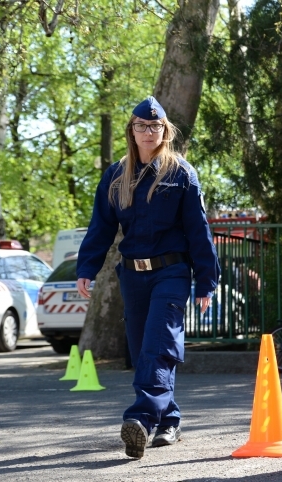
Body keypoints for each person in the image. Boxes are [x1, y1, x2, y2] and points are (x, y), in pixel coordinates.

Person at [75, 96, 220, 458]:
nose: (148, 131)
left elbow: (198, 229)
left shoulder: (181, 173)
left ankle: (140, 420)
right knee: (144, 353)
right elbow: (101, 227)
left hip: (171, 272)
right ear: (132, 130)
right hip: (133, 275)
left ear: (165, 131)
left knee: (158, 345)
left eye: (155, 126)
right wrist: (86, 269)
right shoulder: (115, 174)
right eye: (141, 125)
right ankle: (168, 420)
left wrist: (207, 279)